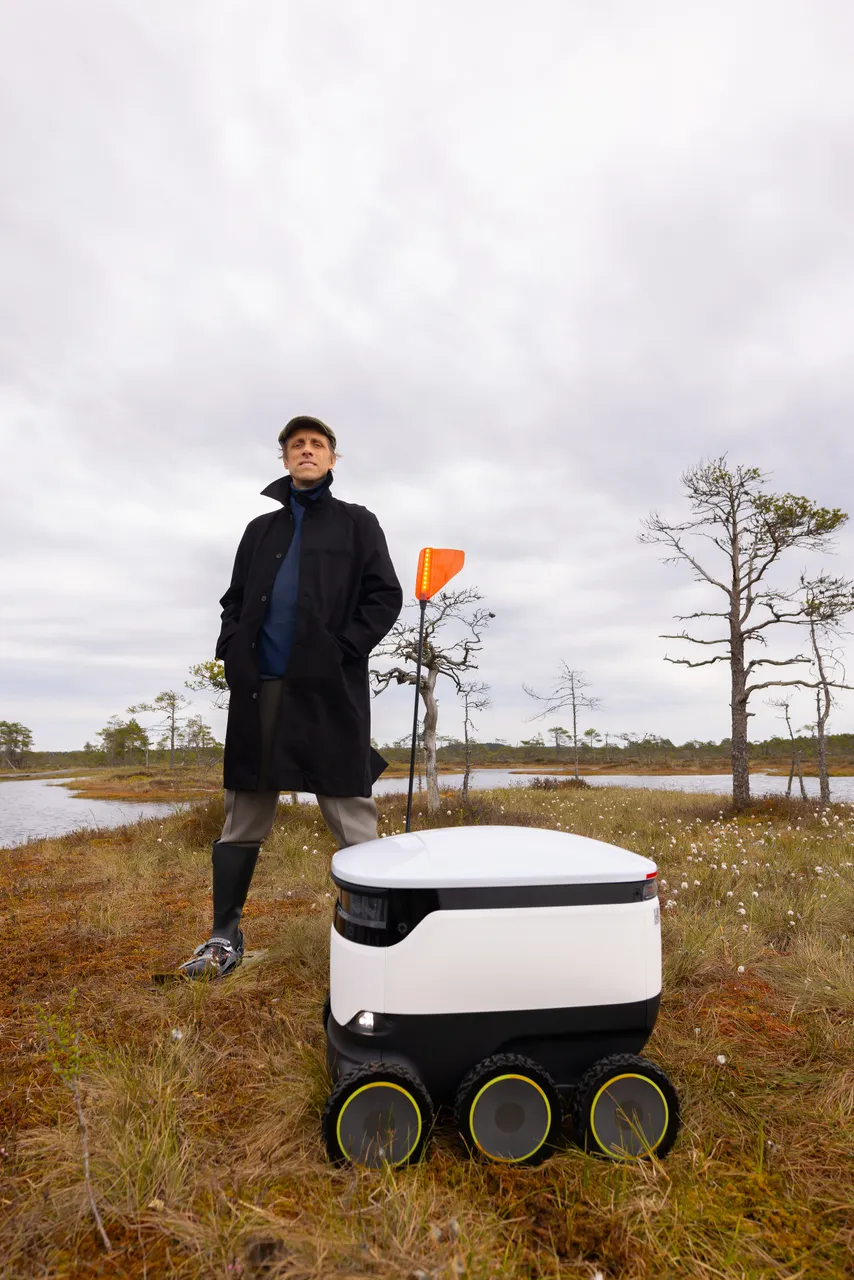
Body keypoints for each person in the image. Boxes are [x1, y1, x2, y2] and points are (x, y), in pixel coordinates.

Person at [179, 415, 402, 978]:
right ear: (284, 459)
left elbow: (385, 596)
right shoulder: (261, 529)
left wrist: (344, 647)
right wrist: (233, 650)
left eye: (317, 445)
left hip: (328, 688)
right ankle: (224, 937)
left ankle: (383, 936)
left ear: (333, 459)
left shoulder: (358, 523)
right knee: (243, 816)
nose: (306, 451)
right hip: (260, 690)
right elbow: (232, 600)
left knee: (351, 811)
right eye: (296, 445)